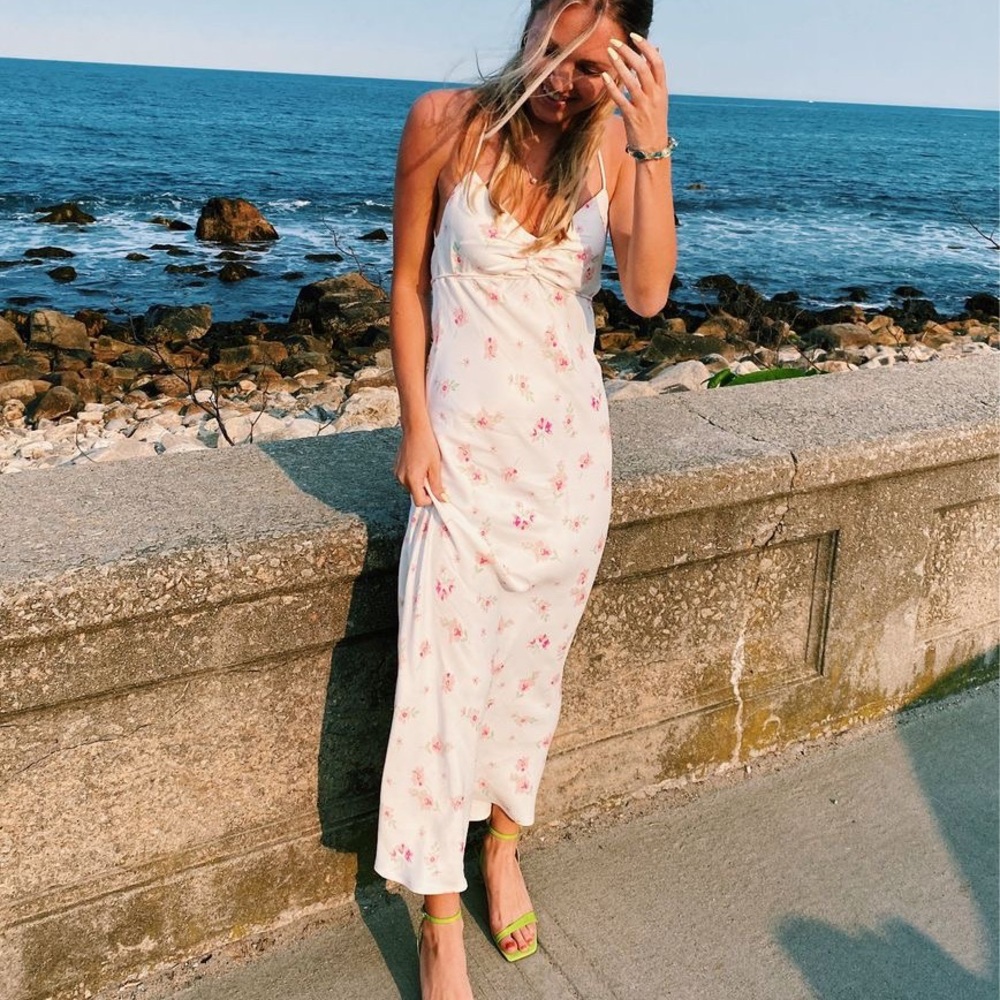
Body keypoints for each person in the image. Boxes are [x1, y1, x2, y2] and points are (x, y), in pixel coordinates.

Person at [374, 1, 676, 995]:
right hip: (461, 465)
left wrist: (649, 138)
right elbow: (409, 283)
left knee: (525, 685)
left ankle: (500, 846)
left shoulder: (611, 156)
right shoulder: (442, 123)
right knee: (437, 688)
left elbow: (645, 293)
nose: (561, 81)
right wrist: (415, 425)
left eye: (591, 69)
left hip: (567, 474)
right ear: (534, 21)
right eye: (554, 50)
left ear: (626, 69)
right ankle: (437, 916)